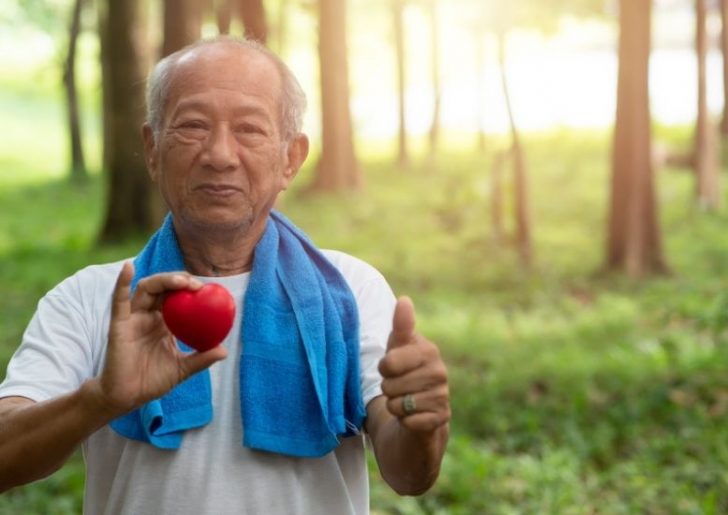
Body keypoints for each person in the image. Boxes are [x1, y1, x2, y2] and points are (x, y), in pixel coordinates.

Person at [0, 37, 450, 514]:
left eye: (249, 130)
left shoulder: (349, 290)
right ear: (152, 149)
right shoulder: (94, 298)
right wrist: (100, 400)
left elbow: (407, 475)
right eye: (192, 126)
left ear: (291, 158)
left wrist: (420, 421)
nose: (219, 154)